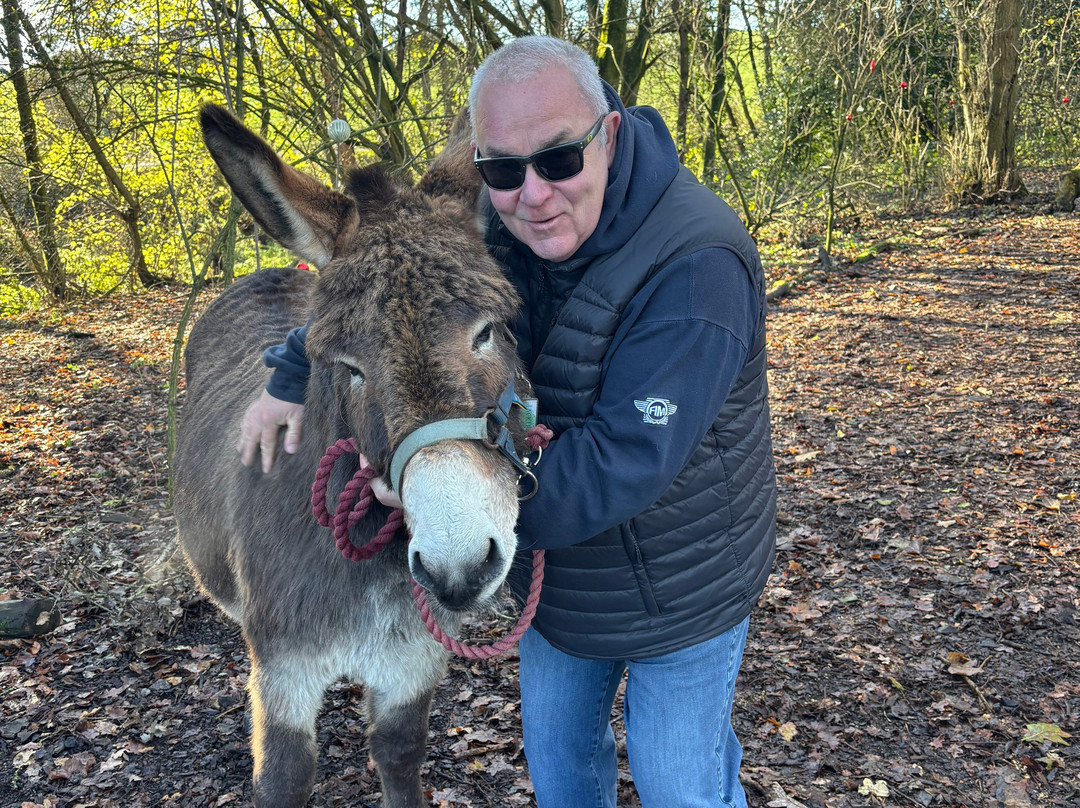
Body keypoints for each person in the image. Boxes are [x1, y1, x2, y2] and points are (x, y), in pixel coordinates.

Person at [240, 35, 776, 808]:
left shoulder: (697, 266)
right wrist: (292, 374)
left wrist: (445, 496)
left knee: (678, 791)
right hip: (559, 584)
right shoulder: (497, 225)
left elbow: (625, 460)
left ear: (611, 134)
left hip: (681, 588)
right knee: (561, 785)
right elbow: (389, 292)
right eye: (502, 170)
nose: (534, 194)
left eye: (559, 159)